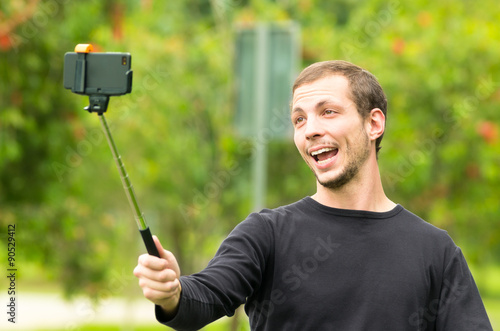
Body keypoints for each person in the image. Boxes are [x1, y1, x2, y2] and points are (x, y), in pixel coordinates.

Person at [133, 60, 493, 330]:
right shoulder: (267, 234)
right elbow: (205, 297)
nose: (310, 130)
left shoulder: (435, 251)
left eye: (328, 112)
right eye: (299, 119)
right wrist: (172, 294)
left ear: (374, 123)